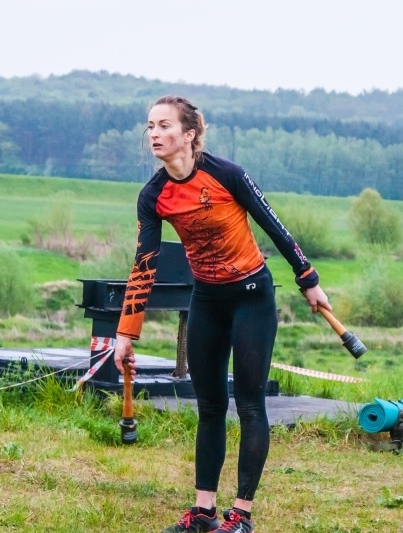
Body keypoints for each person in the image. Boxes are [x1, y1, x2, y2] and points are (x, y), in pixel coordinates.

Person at [114, 96, 331, 533]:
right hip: (208, 302)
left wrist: (308, 278)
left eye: (164, 126)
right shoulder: (154, 195)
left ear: (189, 134)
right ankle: (204, 513)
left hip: (252, 297)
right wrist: (126, 334)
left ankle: (242, 516)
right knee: (209, 407)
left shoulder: (226, 174)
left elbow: (274, 225)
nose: (154, 134)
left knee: (250, 405)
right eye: (149, 127)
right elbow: (144, 263)